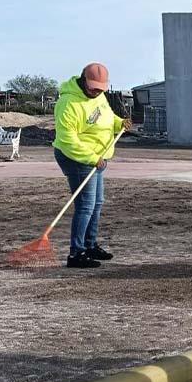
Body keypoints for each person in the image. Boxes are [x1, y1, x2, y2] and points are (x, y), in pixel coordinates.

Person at [53, 63, 131, 268]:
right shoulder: (67, 103)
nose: (97, 92)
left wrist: (119, 123)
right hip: (77, 158)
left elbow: (106, 118)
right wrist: (90, 158)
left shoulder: (100, 97)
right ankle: (76, 252)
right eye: (93, 87)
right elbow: (68, 139)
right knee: (85, 206)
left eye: (100, 88)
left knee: (97, 203)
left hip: (98, 156)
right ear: (83, 80)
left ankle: (90, 245)